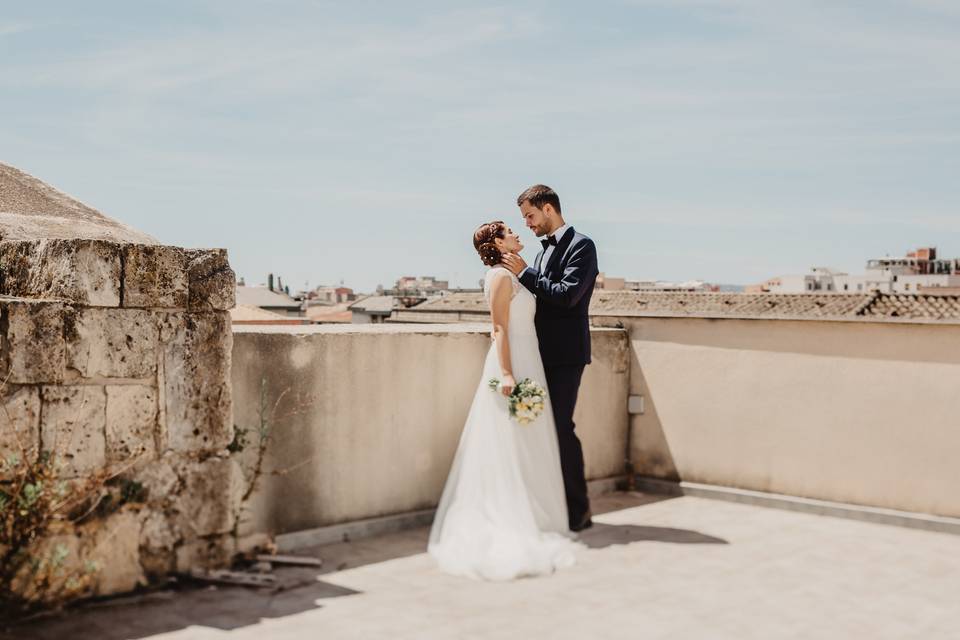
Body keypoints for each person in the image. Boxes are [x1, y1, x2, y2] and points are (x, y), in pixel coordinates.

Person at [428, 221, 581, 581]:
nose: (518, 234)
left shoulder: (515, 274)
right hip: (512, 363)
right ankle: (509, 519)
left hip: (532, 360)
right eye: (511, 231)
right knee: (507, 440)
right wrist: (509, 374)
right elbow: (498, 328)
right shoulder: (499, 276)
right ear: (498, 242)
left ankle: (535, 514)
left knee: (529, 440)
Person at [501, 184, 598, 532]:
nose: (527, 223)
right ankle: (549, 505)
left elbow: (567, 297)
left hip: (567, 355)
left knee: (560, 428)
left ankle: (578, 510)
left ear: (547, 208)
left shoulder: (582, 246)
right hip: (538, 355)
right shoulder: (542, 253)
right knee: (541, 431)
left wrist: (524, 272)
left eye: (529, 215)